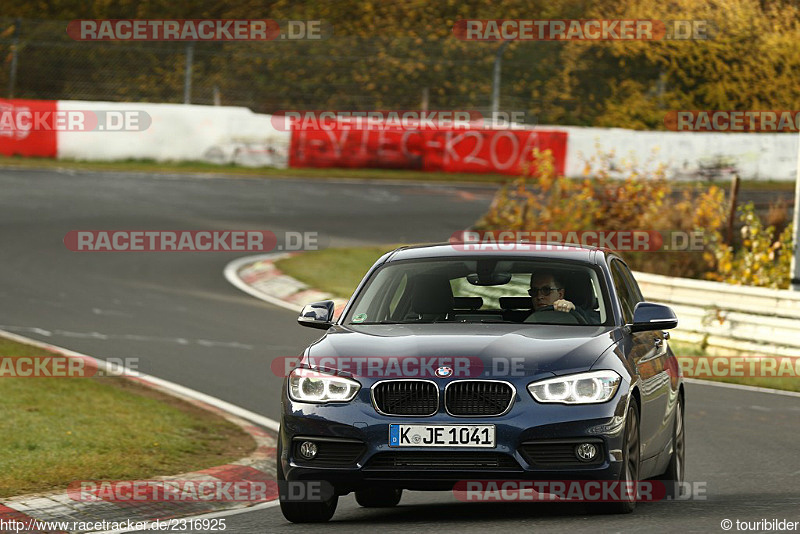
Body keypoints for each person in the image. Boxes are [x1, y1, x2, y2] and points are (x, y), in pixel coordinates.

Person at [526, 271, 600, 324]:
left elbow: (599, 329)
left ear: (560, 294)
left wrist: (575, 310)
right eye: (534, 291)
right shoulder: (523, 319)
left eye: (546, 290)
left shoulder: (589, 317)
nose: (539, 296)